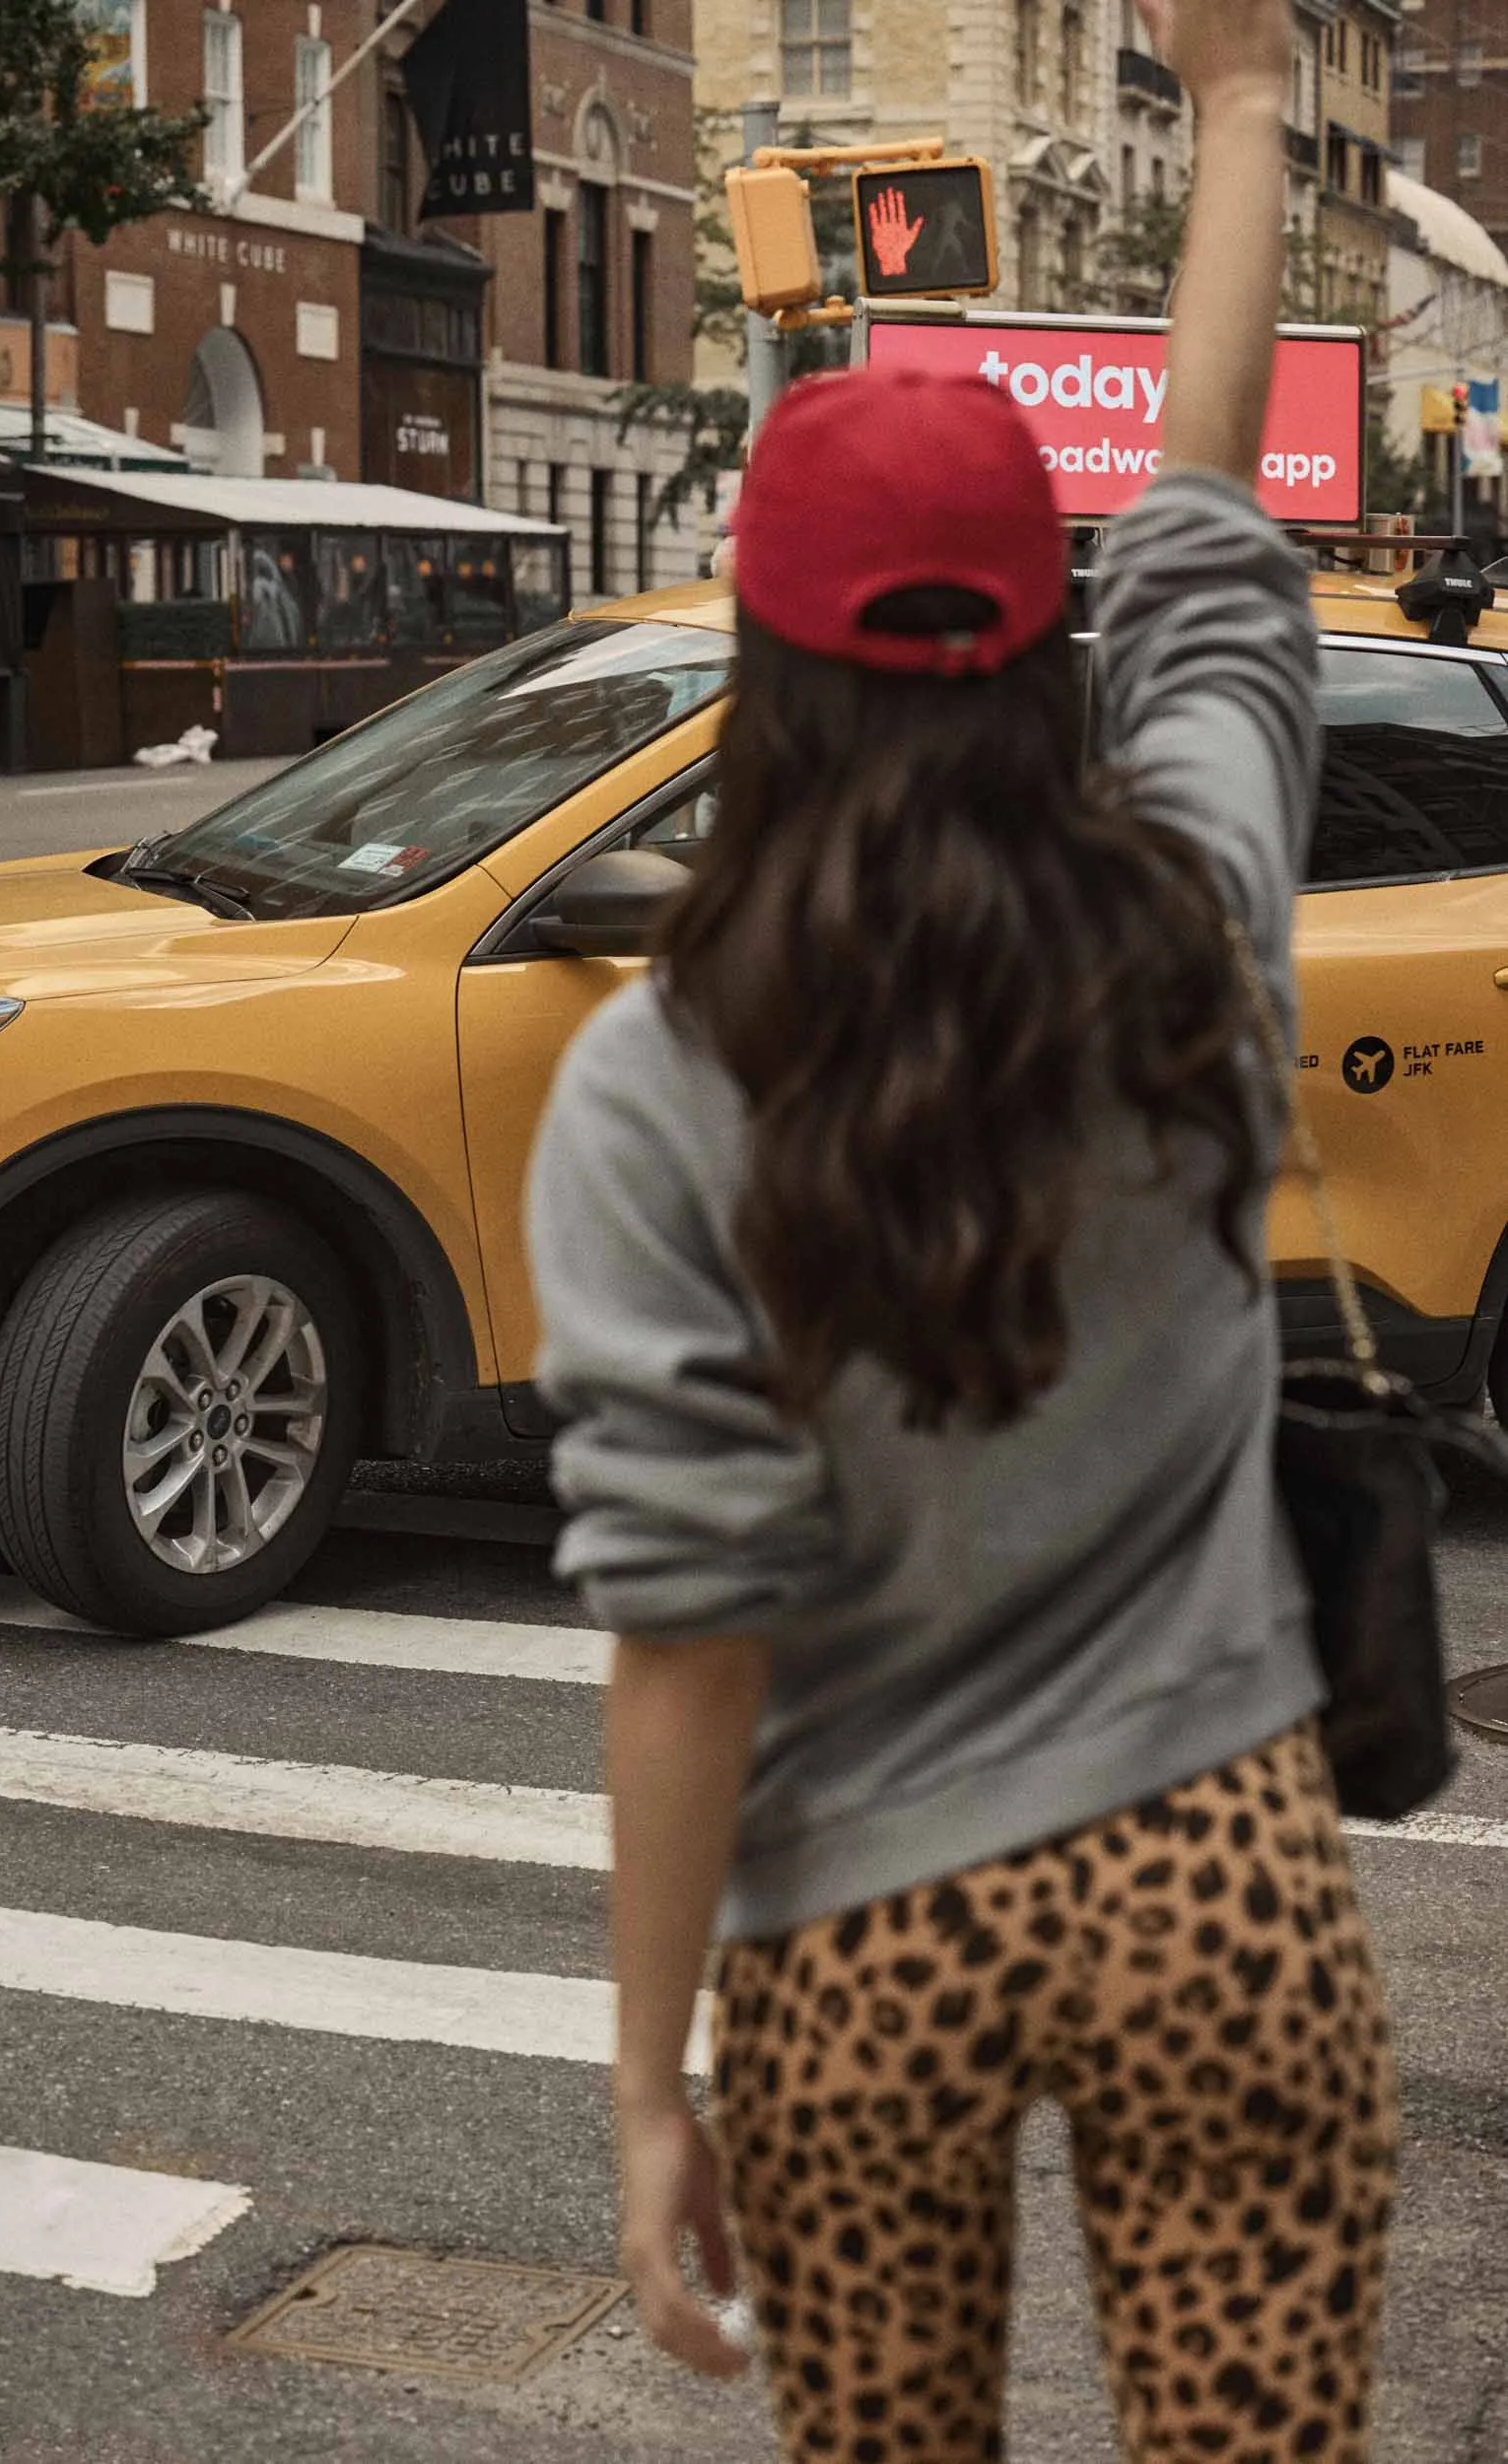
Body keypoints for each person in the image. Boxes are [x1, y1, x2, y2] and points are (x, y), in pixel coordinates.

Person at [526, 2, 1399, 2455]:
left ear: (762, 673)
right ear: (1045, 644)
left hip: (857, 1916)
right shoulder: (1197, 904)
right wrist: (1236, 108)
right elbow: (1215, 507)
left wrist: (642, 2081)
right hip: (1213, 1854)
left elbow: (686, 1644)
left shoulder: (657, 1081)